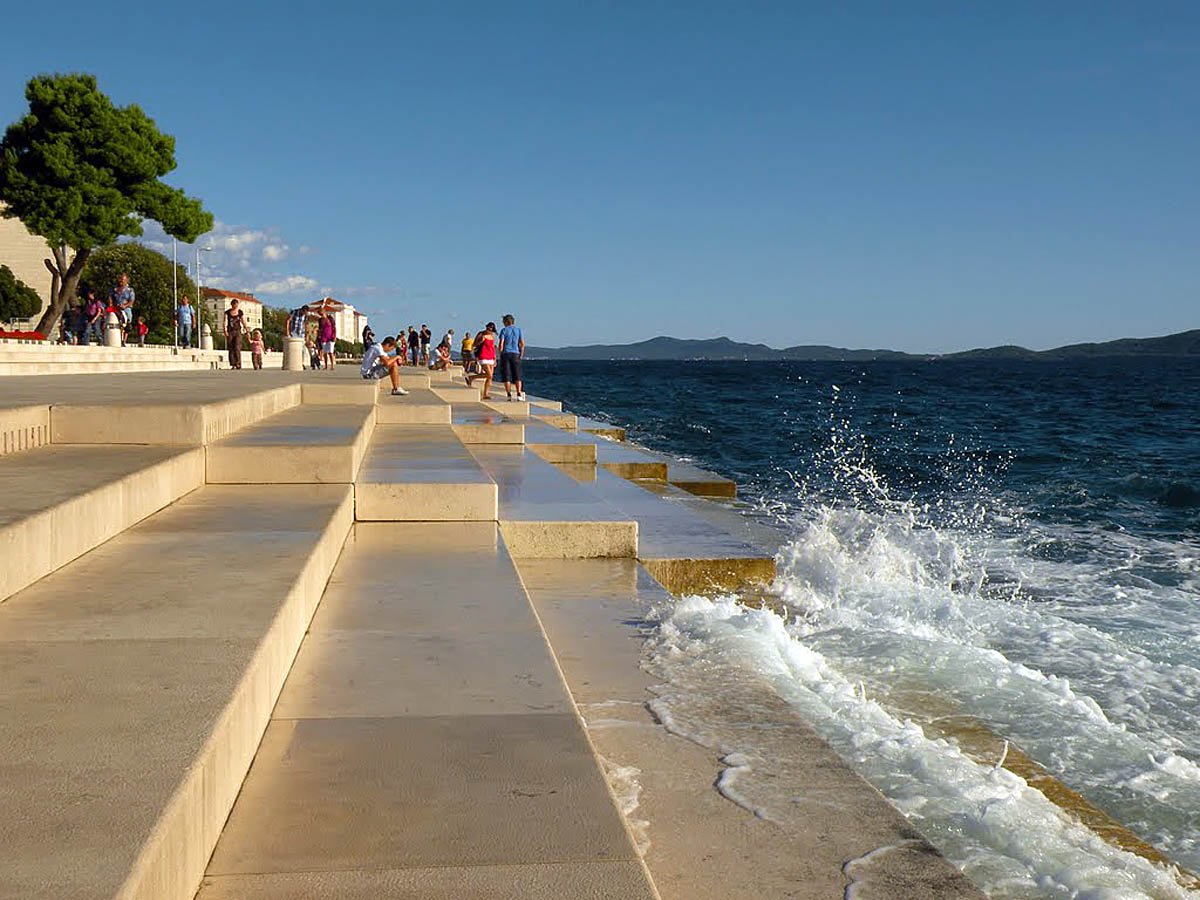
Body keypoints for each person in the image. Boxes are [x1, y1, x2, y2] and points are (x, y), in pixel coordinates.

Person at [497, 313, 526, 401]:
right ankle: (518, 394)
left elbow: (501, 344)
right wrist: (521, 354)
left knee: (506, 375)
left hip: (506, 353)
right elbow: (522, 344)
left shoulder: (504, 330)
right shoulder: (518, 330)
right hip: (515, 353)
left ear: (505, 322)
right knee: (517, 375)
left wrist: (499, 354)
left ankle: (509, 394)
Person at [466, 322, 496, 399]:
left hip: (491, 357)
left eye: (491, 328)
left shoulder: (492, 336)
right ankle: (471, 378)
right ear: (486, 327)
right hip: (483, 356)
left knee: (490, 377)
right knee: (489, 374)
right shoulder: (481, 334)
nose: (489, 329)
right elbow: (474, 345)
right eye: (488, 327)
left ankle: (485, 394)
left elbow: (492, 347)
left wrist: (495, 358)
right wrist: (481, 341)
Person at [110, 273, 135, 345]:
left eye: (123, 280)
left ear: (126, 281)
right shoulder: (115, 289)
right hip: (116, 307)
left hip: (126, 308)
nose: (121, 281)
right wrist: (111, 304)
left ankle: (124, 339)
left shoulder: (130, 290)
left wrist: (125, 305)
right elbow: (110, 297)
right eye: (120, 279)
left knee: (128, 321)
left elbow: (131, 301)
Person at [224, 299, 247, 369]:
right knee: (231, 347)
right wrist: (224, 330)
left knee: (237, 347)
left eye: (236, 305)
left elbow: (243, 321)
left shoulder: (240, 312)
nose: (235, 306)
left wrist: (246, 329)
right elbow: (225, 321)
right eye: (234, 304)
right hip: (230, 331)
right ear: (232, 305)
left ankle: (238, 363)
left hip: (238, 331)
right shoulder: (227, 312)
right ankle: (233, 364)